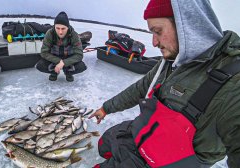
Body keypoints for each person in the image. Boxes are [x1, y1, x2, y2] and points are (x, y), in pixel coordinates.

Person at [89, 0, 240, 167]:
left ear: (187, 27)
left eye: (158, 31)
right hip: (149, 130)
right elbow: (140, 88)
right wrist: (106, 108)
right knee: (104, 144)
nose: (154, 42)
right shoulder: (171, 62)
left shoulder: (233, 83)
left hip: (169, 161)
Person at [35, 11, 87, 82]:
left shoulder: (74, 35)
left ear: (67, 27)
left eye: (63, 28)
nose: (60, 32)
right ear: (54, 26)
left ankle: (68, 73)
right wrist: (59, 61)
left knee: (81, 66)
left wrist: (63, 63)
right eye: (57, 28)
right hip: (54, 59)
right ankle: (54, 72)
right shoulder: (49, 34)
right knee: (40, 65)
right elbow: (44, 53)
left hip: (68, 60)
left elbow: (79, 55)